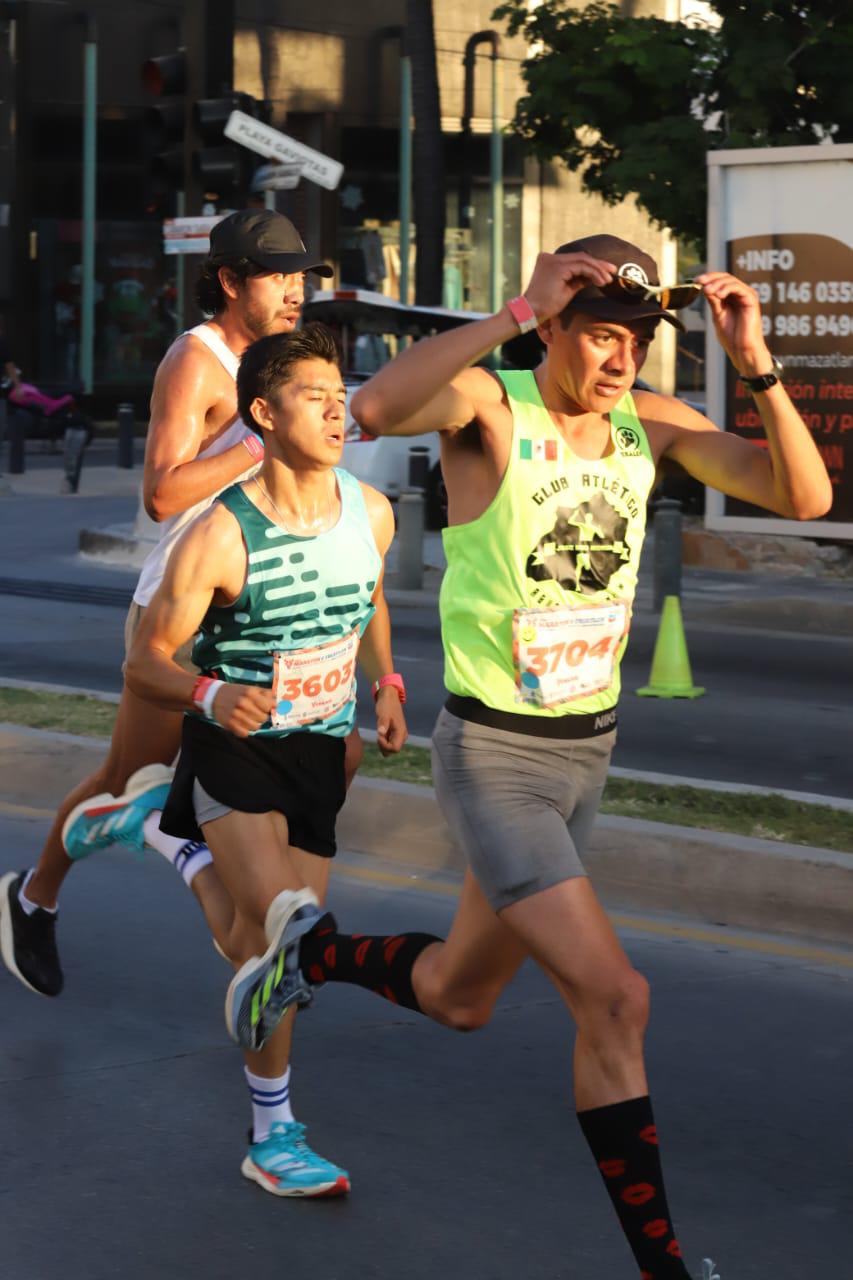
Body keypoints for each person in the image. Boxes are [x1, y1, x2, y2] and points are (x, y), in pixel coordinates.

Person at [207, 236, 830, 1273]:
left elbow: (802, 497)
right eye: (598, 333)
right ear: (553, 323)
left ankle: (303, 956)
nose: (621, 357)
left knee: (461, 994)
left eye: (634, 338)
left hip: (587, 753)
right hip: (495, 757)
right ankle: (665, 1263)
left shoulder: (651, 424)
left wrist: (754, 360)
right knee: (616, 996)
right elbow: (370, 411)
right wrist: (508, 312)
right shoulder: (490, 406)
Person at [0, 209, 363, 1193]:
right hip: (183, 613)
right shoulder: (198, 362)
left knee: (240, 846)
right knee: (125, 776)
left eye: (303, 279)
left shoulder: (294, 362)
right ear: (231, 281)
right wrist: (259, 442)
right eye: (278, 279)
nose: (294, 294)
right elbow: (162, 493)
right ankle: (33, 896)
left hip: (267, 614)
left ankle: (262, 1048)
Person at [125, 322, 407, 1195]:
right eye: (314, 395)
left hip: (323, 753)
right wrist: (208, 695)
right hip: (235, 750)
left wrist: (386, 682)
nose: (338, 408)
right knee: (286, 926)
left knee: (267, 953)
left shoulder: (372, 511)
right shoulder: (218, 535)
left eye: (340, 390)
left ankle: (164, 839)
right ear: (261, 413)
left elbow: (369, 599)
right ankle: (274, 1135)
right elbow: (145, 662)